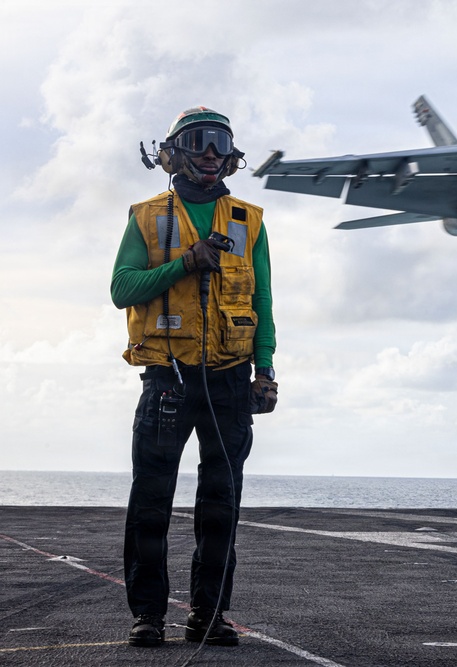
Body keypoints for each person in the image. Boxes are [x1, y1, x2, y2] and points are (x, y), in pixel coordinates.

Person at [111, 107, 278, 648]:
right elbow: (122, 288)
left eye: (220, 143)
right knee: (151, 504)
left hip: (230, 380)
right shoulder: (145, 216)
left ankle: (209, 615)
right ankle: (148, 617)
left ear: (231, 157)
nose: (211, 153)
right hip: (166, 379)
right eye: (199, 141)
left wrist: (266, 369)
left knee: (220, 505)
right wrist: (185, 263)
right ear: (174, 151)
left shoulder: (249, 220)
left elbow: (264, 301)